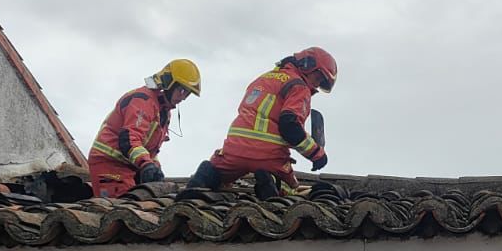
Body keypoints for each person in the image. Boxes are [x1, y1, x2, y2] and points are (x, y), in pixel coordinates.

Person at [185, 47, 336, 198]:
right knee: (291, 189)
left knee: (217, 174)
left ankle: (203, 178)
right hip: (269, 157)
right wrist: (316, 153)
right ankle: (273, 181)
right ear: (307, 66)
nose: (316, 85)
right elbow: (290, 127)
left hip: (234, 151)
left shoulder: (262, 79)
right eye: (318, 78)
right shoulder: (299, 87)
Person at [88, 59, 201, 199]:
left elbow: (150, 150)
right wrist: (147, 164)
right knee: (124, 208)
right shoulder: (143, 100)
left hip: (130, 166)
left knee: (143, 203)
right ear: (169, 83)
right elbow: (129, 139)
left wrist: (155, 168)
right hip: (109, 163)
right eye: (182, 90)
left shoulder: (163, 111)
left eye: (187, 94)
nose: (183, 97)